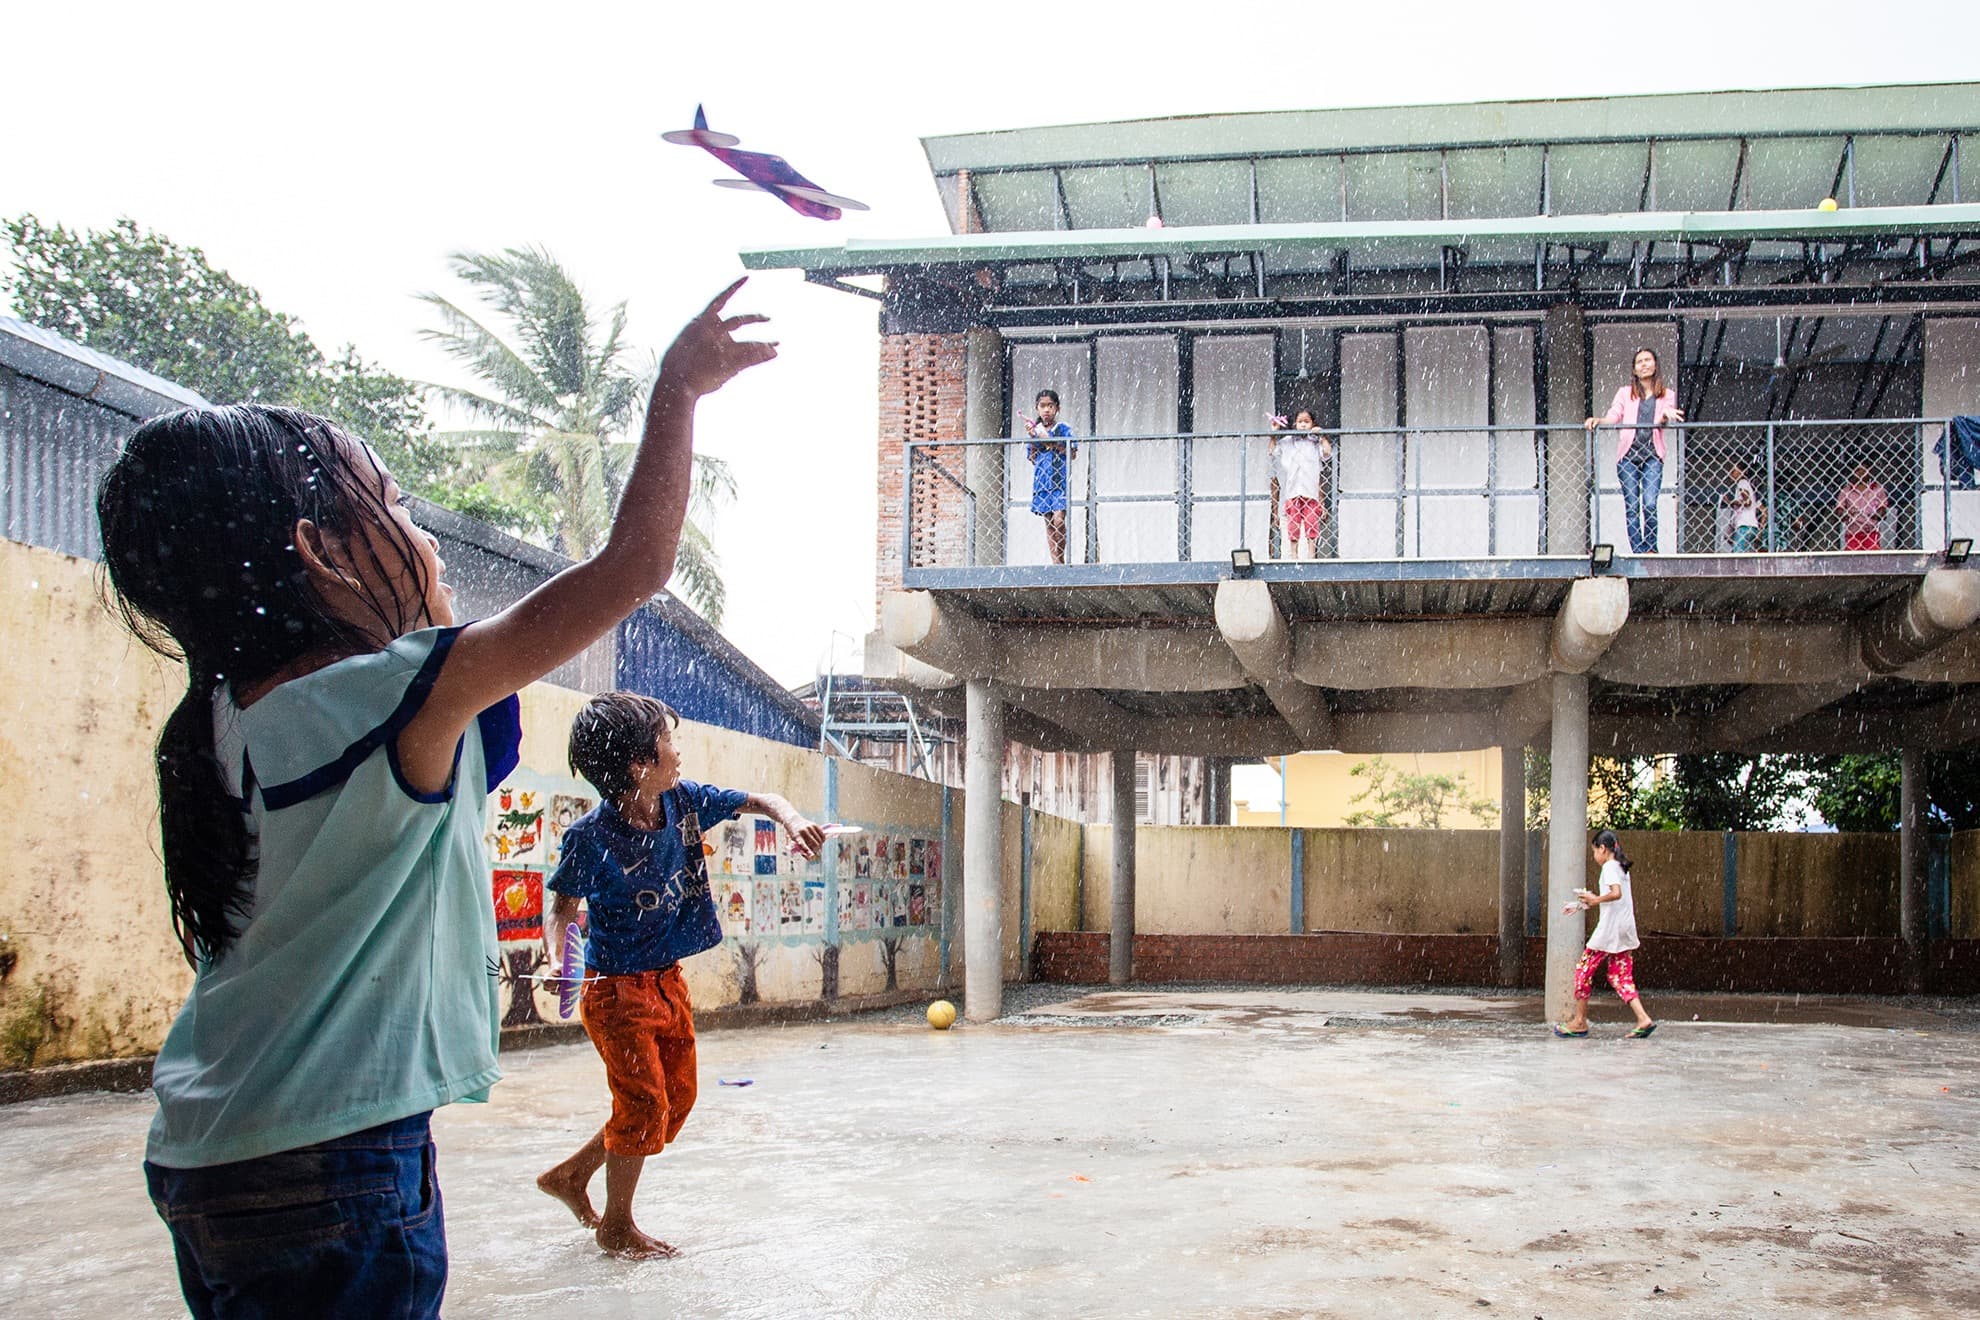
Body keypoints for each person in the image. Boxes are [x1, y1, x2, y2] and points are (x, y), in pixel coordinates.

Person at [101, 280, 775, 1319]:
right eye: (396, 509)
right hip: (337, 1158)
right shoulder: (387, 695)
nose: (423, 537)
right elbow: (634, 569)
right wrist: (678, 388)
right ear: (323, 554)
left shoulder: (223, 721)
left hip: (206, 1150)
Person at [535, 692, 823, 1259]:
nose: (678, 750)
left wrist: (793, 821)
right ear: (639, 764)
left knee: (674, 1101)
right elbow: (561, 910)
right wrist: (555, 959)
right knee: (645, 1108)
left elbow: (762, 799)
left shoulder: (685, 803)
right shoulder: (591, 838)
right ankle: (617, 1225)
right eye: (668, 741)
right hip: (615, 993)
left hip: (666, 980)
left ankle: (573, 1175)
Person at [1553, 830, 1657, 1039]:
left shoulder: (1609, 867)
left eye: (1594, 851)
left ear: (1602, 849)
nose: (1594, 856)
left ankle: (1579, 1021)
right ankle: (1643, 1018)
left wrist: (1594, 900)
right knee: (1620, 975)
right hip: (1624, 928)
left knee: (1583, 971)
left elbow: (1615, 894)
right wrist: (1582, 904)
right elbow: (1614, 899)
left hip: (1610, 930)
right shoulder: (1620, 867)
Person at [1586, 348, 1684, 555]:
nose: (1644, 364)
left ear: (1655, 365)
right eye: (1640, 362)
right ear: (1634, 370)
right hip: (1628, 457)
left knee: (1649, 503)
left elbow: (1662, 419)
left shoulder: (1667, 395)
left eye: (1648, 360)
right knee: (1632, 506)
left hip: (1652, 456)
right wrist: (1599, 420)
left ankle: (1651, 549)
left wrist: (1665, 414)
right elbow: (1614, 415)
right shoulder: (1625, 393)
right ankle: (1639, 550)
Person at [1021, 389, 1077, 564]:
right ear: (1037, 408)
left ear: (1057, 408)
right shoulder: (1036, 430)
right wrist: (1034, 437)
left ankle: (1061, 557)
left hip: (1060, 481)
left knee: (1059, 520)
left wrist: (1052, 443)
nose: (1046, 410)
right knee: (1049, 523)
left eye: (1050, 406)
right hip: (1042, 482)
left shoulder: (1063, 429)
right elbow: (1032, 457)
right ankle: (1056, 563)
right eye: (1042, 406)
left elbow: (1072, 453)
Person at [1271, 409, 1331, 560]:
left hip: (1310, 493)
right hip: (1292, 492)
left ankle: (1311, 555)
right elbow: (1272, 451)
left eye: (1307, 422)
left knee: (1312, 525)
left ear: (1313, 424)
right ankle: (1294, 555)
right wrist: (1273, 432)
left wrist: (1322, 436)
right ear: (1295, 424)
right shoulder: (1287, 442)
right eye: (1300, 422)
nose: (1303, 425)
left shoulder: (1315, 443)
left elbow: (1327, 453)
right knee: (1293, 526)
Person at [1837, 461, 1890, 550]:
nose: (1861, 473)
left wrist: (1875, 514)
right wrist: (1847, 515)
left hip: (1871, 531)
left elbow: (1882, 510)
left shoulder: (1877, 489)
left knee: (1873, 552)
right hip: (1852, 532)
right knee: (1852, 553)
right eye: (1858, 470)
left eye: (1864, 470)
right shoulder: (1846, 491)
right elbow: (1839, 510)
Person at [1725, 460, 1762, 552]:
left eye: (1733, 471)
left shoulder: (1742, 483)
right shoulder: (1747, 485)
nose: (1731, 474)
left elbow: (1747, 501)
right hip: (1752, 526)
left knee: (1738, 554)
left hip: (1744, 526)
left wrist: (1731, 502)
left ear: (1742, 472)